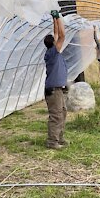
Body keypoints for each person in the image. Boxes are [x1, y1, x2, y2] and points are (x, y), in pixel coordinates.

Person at [43, 10, 68, 150]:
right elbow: (62, 35)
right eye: (55, 40)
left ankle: (59, 138)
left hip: (57, 89)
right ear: (53, 43)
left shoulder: (52, 51)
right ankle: (52, 142)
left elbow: (57, 34)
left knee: (62, 112)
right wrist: (59, 17)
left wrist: (54, 19)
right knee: (56, 115)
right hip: (53, 91)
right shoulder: (53, 52)